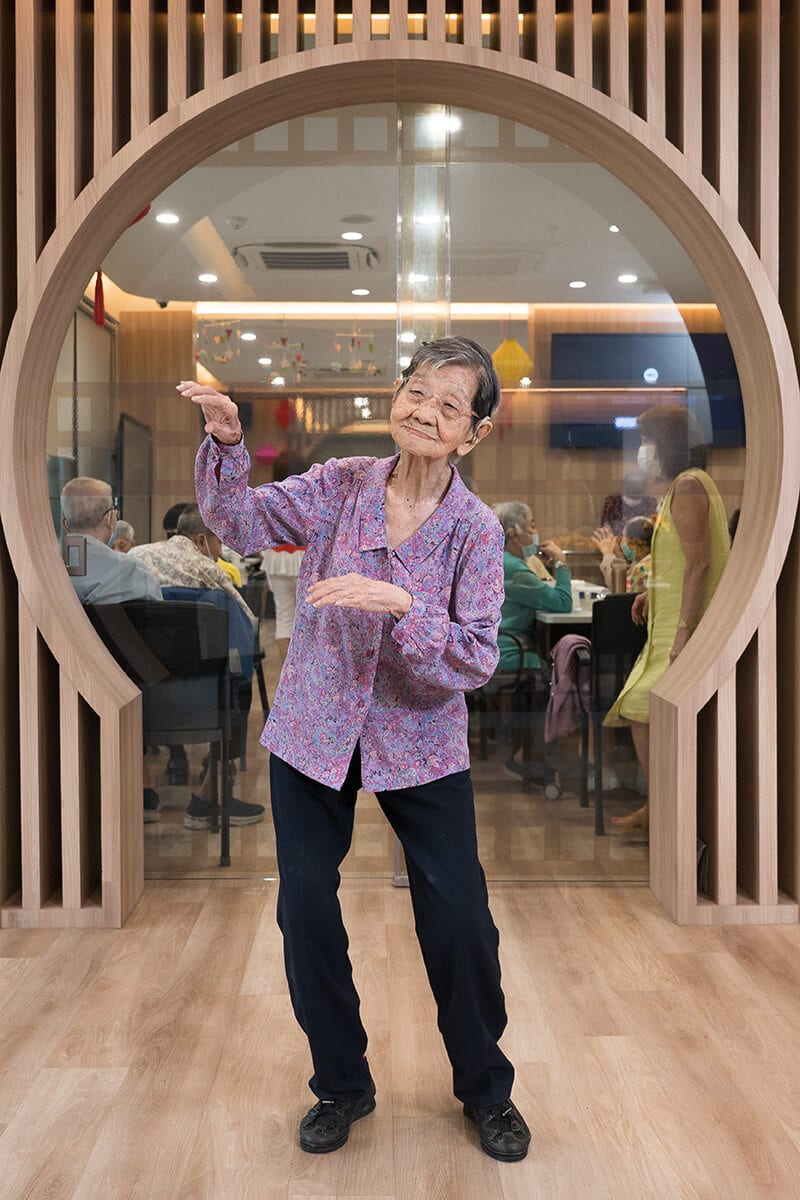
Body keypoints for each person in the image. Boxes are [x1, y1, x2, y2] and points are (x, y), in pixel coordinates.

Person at [177, 336, 532, 1164]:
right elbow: (239, 521)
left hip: (421, 742)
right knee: (303, 906)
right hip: (314, 726)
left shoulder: (475, 531)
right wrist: (229, 443)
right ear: (396, 395)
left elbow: (477, 657)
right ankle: (341, 1085)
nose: (425, 411)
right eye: (418, 391)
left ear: (472, 434)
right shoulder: (340, 486)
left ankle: (488, 1089)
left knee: (460, 922)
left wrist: (401, 602)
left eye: (450, 405)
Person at [605, 402, 730, 830]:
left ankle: (671, 813)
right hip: (667, 619)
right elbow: (678, 558)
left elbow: (699, 563)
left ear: (666, 443)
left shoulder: (690, 486)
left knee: (642, 705)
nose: (642, 450)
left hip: (682, 627)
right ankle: (662, 807)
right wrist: (649, 592)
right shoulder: (683, 485)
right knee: (640, 707)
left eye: (646, 440)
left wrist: (682, 632)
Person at [61, 477, 163, 822]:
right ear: (111, 519)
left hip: (52, 692)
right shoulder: (134, 571)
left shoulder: (43, 570)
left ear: (64, 523)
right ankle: (140, 782)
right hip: (123, 694)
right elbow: (156, 637)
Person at [492, 500, 572, 781]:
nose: (536, 532)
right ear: (513, 533)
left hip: (494, 647)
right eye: (532, 525)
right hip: (507, 651)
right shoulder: (515, 570)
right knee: (552, 678)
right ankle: (527, 755)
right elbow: (563, 603)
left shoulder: (498, 560)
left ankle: (522, 748)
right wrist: (562, 562)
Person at [130, 505, 256, 626]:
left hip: (137, 642)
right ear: (201, 541)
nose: (221, 551)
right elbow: (246, 618)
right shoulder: (210, 570)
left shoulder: (135, 555)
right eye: (219, 542)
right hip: (198, 644)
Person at [261, 450, 308, 663]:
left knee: (285, 619)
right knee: (309, 620)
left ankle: (286, 680)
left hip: (276, 558)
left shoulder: (269, 495)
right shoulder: (309, 494)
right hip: (303, 558)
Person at [592, 515, 654, 593]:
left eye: (624, 538)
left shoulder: (642, 568)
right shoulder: (642, 561)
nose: (621, 543)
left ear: (634, 543)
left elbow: (619, 587)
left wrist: (608, 554)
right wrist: (618, 556)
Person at [599, 471, 657, 535]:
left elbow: (653, 526)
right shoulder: (613, 501)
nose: (635, 488)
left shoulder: (650, 502)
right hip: (616, 541)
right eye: (631, 484)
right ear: (624, 485)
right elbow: (606, 526)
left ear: (645, 487)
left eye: (639, 484)